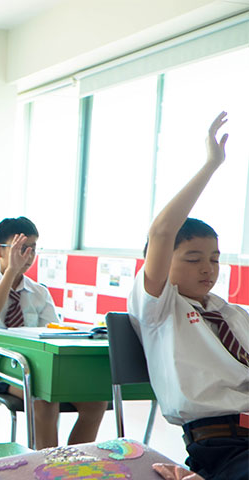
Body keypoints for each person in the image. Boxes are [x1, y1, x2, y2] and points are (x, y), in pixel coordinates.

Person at [128, 111, 247, 480]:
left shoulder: (233, 314)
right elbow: (163, 231)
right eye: (193, 259)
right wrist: (212, 165)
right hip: (222, 443)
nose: (207, 268)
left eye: (214, 259)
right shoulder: (160, 308)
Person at [0, 217, 107, 448]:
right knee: (43, 397)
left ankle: (72, 460)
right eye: (21, 249)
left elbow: (54, 334)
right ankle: (46, 460)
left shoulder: (39, 292)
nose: (28, 256)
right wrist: (11, 272)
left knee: (96, 400)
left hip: (40, 366)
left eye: (32, 249)